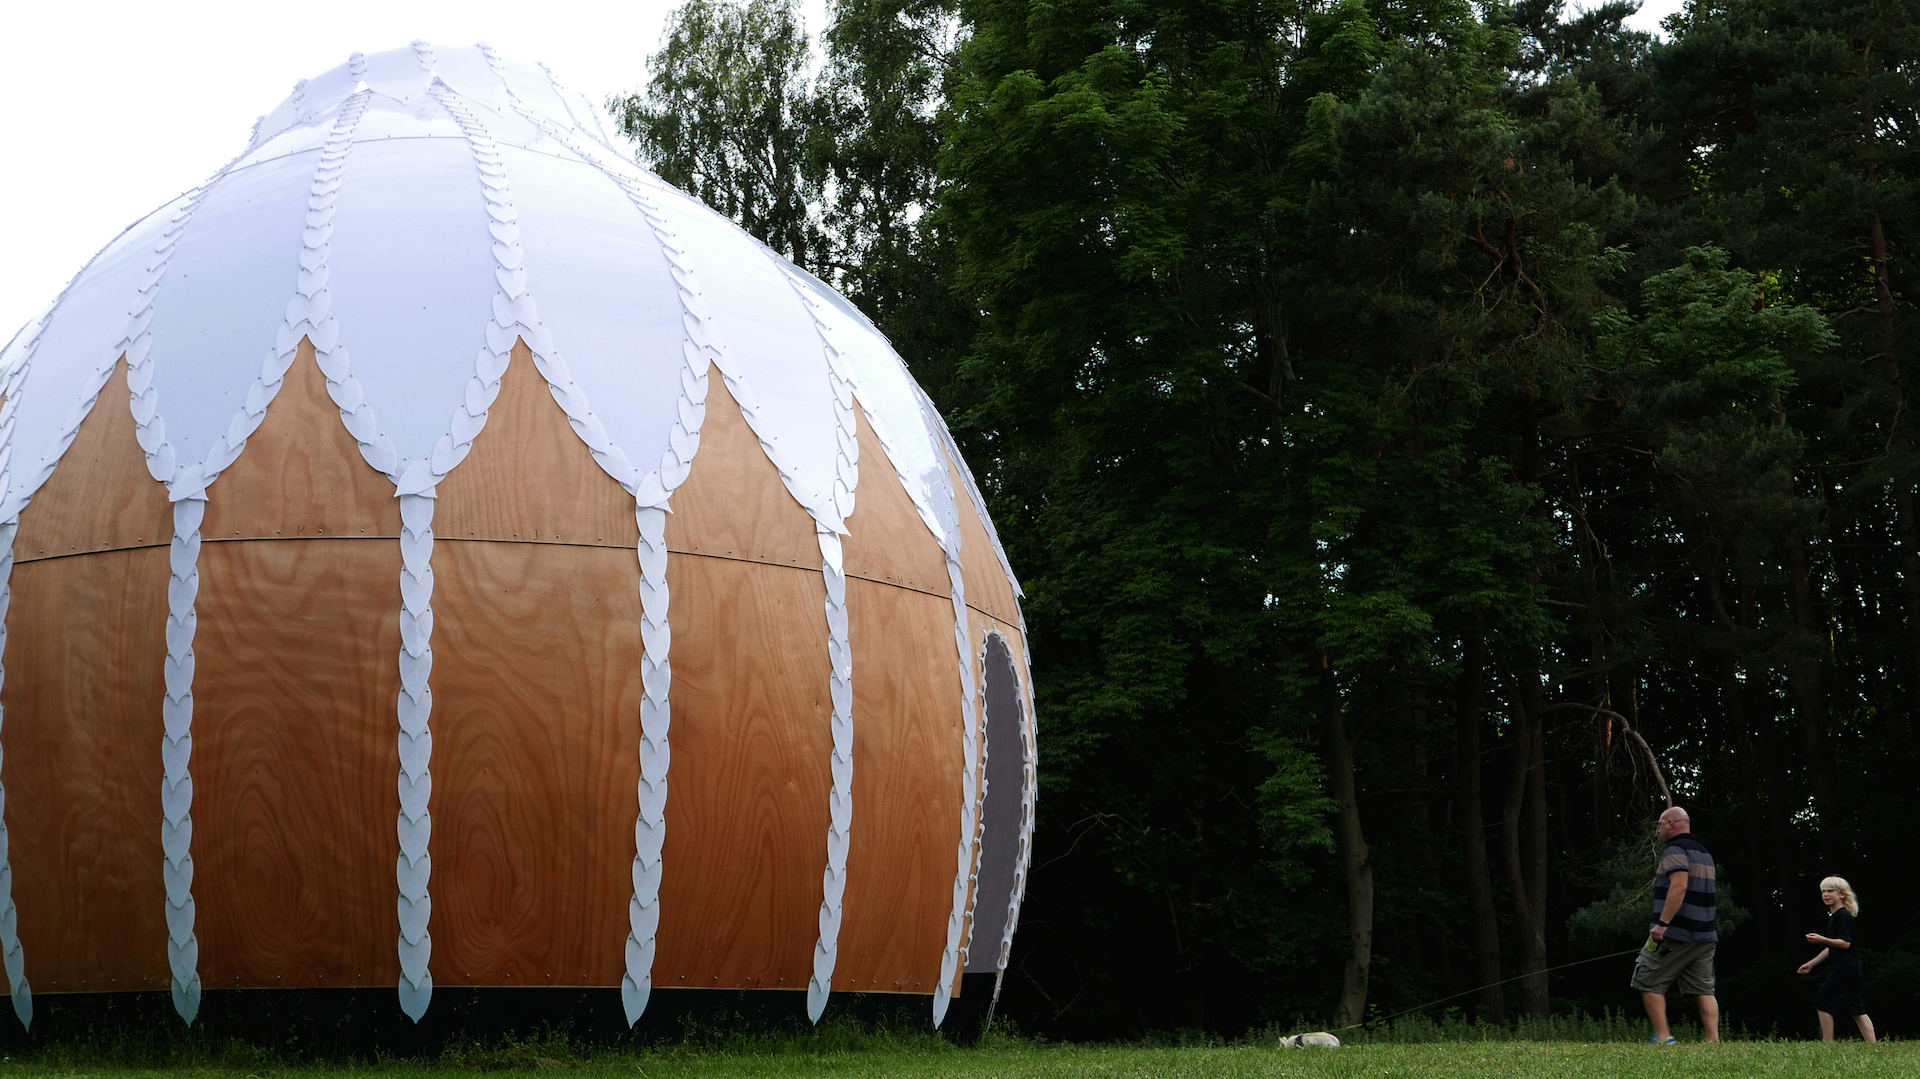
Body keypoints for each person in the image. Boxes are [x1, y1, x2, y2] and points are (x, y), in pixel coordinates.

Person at [1630, 806, 1720, 1044]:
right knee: (1704, 989)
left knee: (1646, 979)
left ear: (1670, 824)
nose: (1658, 830)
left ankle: (1663, 1037)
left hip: (1676, 933)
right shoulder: (1704, 852)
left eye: (1660, 824)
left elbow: (1679, 886)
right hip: (1705, 934)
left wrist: (1662, 924)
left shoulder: (1675, 850)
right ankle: (1713, 1041)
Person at [1797, 876, 1875, 1042]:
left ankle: (1828, 1045)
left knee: (1822, 1003)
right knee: (1856, 1009)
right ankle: (1873, 1046)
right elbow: (1833, 946)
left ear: (1842, 894)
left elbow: (1845, 943)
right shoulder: (1837, 916)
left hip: (1844, 969)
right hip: (1850, 969)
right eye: (1823, 891)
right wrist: (1811, 963)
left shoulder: (1842, 916)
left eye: (1830, 891)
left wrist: (1821, 939)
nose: (1825, 894)